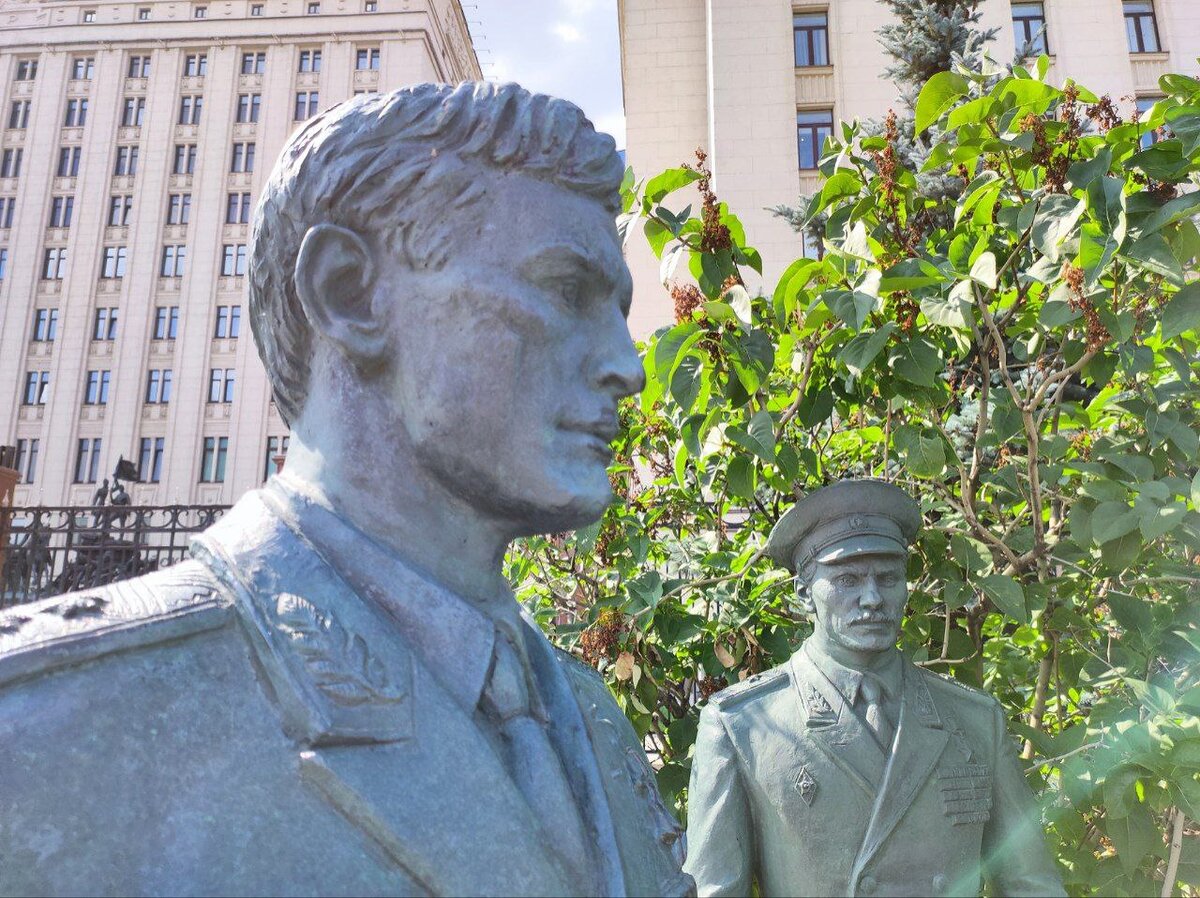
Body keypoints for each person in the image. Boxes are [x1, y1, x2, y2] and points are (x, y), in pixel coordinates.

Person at [0, 83, 691, 898]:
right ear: (350, 293)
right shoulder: (47, 725)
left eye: (619, 309)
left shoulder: (593, 720)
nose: (629, 365)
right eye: (566, 291)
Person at [684, 479, 1064, 897]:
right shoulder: (747, 727)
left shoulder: (974, 720)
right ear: (804, 594)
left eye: (887, 578)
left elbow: (1032, 884)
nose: (872, 598)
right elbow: (714, 889)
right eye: (847, 580)